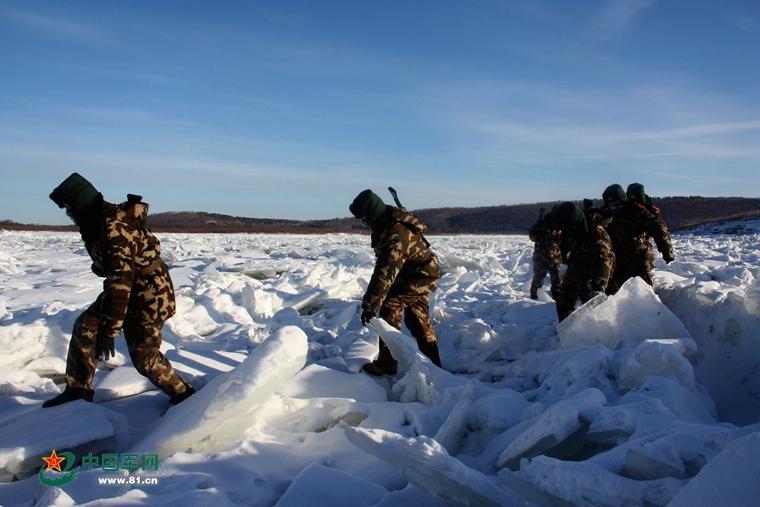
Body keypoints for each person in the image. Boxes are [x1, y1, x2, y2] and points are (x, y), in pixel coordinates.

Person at [43, 173, 195, 407]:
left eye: (69, 209)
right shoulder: (97, 221)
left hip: (149, 295)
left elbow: (120, 283)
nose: (69, 215)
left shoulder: (112, 229)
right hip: (128, 288)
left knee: (145, 359)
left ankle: (184, 395)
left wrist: (109, 331)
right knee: (85, 327)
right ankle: (78, 390)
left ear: (80, 205)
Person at [350, 189, 442, 375]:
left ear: (372, 215)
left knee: (389, 307)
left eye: (364, 219)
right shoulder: (389, 222)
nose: (364, 223)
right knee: (418, 318)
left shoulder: (395, 234)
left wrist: (370, 305)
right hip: (416, 273)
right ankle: (434, 366)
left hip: (419, 275)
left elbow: (384, 273)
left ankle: (388, 362)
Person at [551, 202, 615, 321]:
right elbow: (564, 246)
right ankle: (568, 326)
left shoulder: (597, 233)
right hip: (577, 262)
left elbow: (603, 261)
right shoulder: (569, 228)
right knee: (563, 298)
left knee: (591, 300)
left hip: (597, 267)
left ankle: (595, 329)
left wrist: (599, 289)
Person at [608, 183, 675, 289]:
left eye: (616, 204)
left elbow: (659, 229)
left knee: (642, 288)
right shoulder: (614, 213)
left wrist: (667, 253)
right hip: (620, 257)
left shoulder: (638, 211)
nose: (614, 207)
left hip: (639, 256)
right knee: (618, 289)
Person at [528, 206, 563, 300]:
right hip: (541, 256)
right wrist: (540, 231)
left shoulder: (558, 225)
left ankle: (557, 299)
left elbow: (560, 239)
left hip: (555, 257)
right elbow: (532, 236)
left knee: (557, 280)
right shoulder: (540, 224)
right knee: (538, 278)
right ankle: (534, 297)